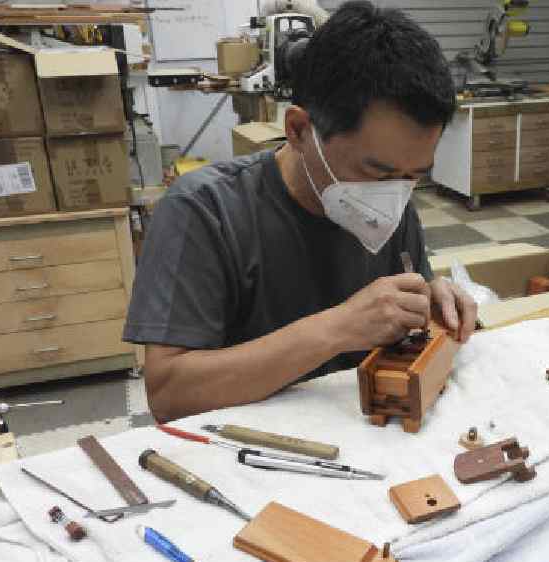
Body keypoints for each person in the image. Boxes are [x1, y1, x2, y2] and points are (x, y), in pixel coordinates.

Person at [124, 1, 478, 423]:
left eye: (414, 175)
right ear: (298, 130)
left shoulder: (394, 197)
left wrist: (431, 299)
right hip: (250, 444)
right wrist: (337, 329)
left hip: (366, 430)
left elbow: (406, 306)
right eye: (375, 172)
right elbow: (168, 394)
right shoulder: (205, 211)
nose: (394, 194)